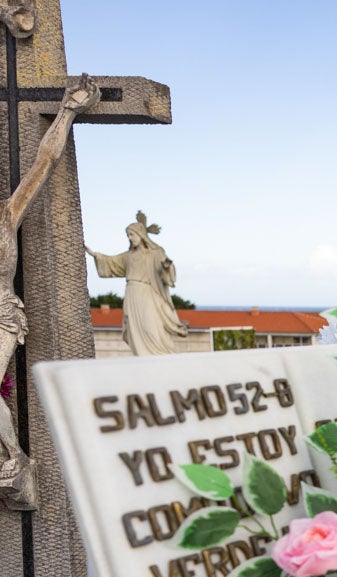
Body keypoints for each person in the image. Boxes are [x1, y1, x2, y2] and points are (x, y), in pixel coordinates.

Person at [0, 75, 99, 509]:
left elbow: (45, 159)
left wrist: (68, 111)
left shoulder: (7, 213)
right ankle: (12, 462)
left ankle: (14, 461)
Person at [85, 212, 187, 356]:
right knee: (134, 328)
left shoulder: (153, 254)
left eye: (132, 235)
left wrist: (166, 266)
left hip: (147, 294)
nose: (130, 238)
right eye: (128, 236)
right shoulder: (129, 256)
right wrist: (96, 255)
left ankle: (161, 354)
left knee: (150, 326)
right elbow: (112, 262)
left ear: (141, 235)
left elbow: (165, 264)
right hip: (131, 293)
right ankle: (142, 355)